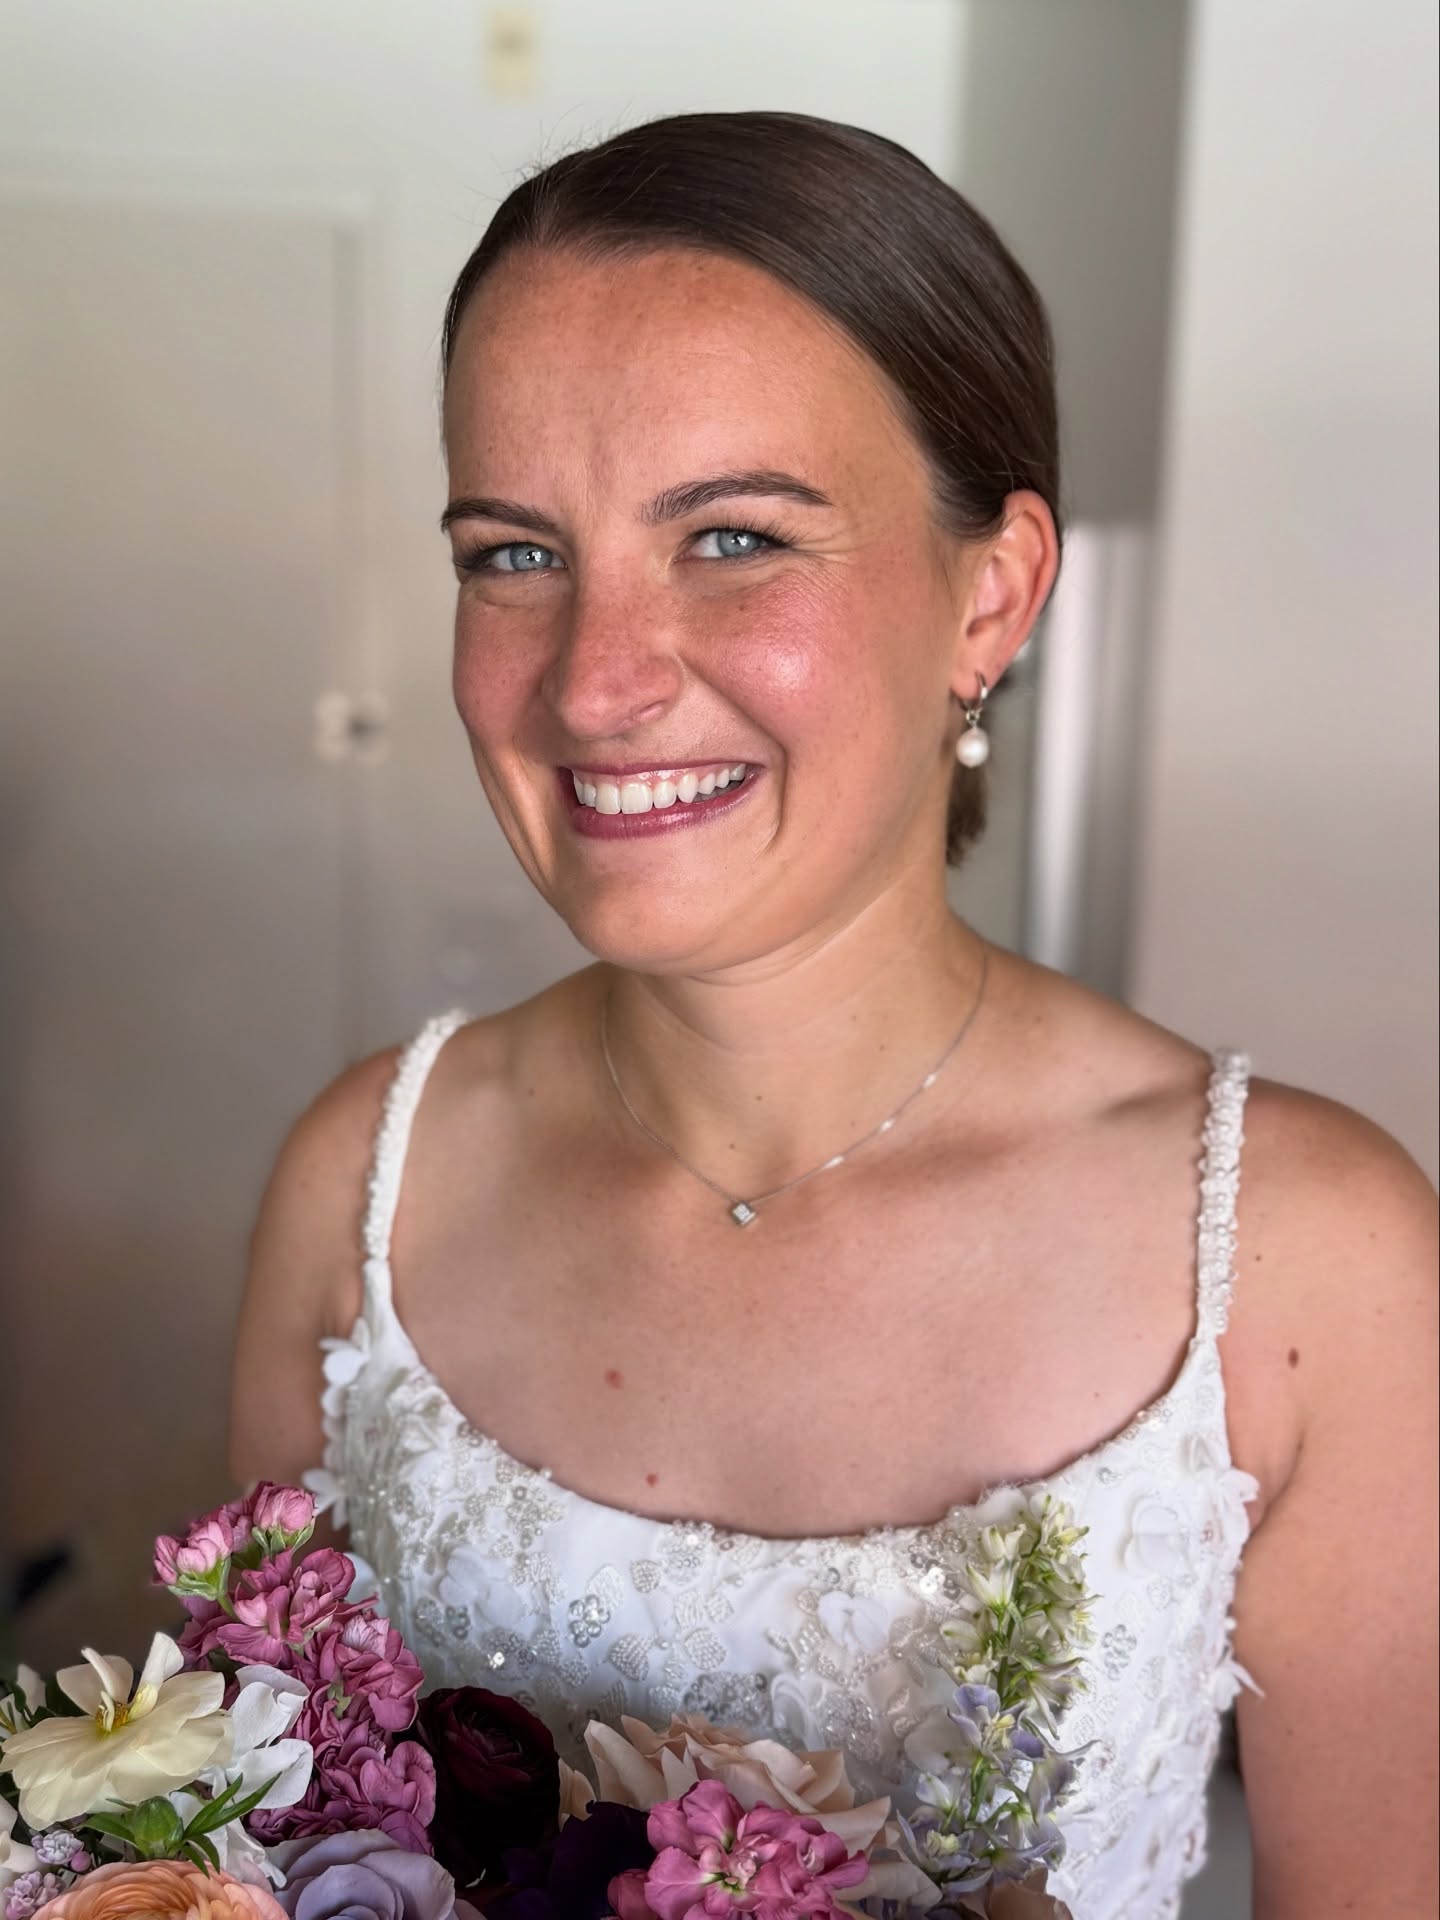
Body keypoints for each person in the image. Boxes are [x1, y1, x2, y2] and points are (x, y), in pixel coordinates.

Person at [228, 112, 1438, 1917]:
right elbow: (250, 1837)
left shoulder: (1302, 1259)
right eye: (512, 554)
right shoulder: (363, 1182)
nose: (594, 683)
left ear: (990, 596)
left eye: (732, 536)